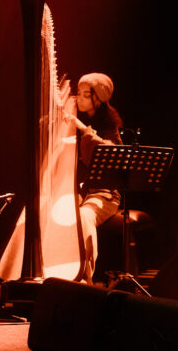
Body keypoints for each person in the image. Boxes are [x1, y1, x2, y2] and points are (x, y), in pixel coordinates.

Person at [73, 73, 123, 284]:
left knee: (83, 216)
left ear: (98, 99)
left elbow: (113, 153)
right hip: (82, 192)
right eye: (78, 93)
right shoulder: (77, 119)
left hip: (105, 195)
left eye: (86, 95)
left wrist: (84, 130)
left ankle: (85, 277)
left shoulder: (109, 127)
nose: (79, 99)